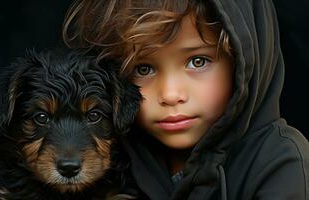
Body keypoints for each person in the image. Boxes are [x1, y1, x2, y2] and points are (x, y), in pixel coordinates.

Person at [62, 0, 309, 199]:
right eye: (143, 68)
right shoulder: (111, 161)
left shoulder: (280, 163)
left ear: (243, 61)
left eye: (197, 61)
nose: (170, 95)